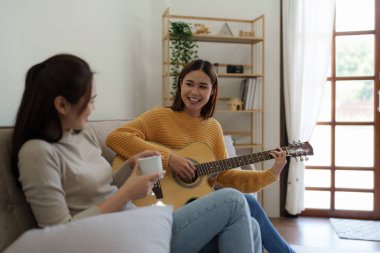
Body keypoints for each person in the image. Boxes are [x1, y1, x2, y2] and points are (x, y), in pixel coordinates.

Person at [11, 54, 263, 253]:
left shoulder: (81, 134)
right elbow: (59, 232)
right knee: (232, 200)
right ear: (62, 105)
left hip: (137, 220)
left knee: (248, 224)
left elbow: (104, 185)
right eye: (90, 100)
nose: (92, 108)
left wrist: (128, 169)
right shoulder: (37, 153)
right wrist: (126, 194)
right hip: (115, 235)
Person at [106, 59, 296, 253]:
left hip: (194, 206)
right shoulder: (159, 117)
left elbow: (227, 176)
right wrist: (170, 159)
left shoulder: (213, 128)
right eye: (189, 84)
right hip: (159, 203)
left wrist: (272, 173)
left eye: (202, 86)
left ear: (212, 91)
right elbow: (117, 137)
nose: (194, 92)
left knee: (251, 209)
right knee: (247, 205)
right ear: (180, 84)